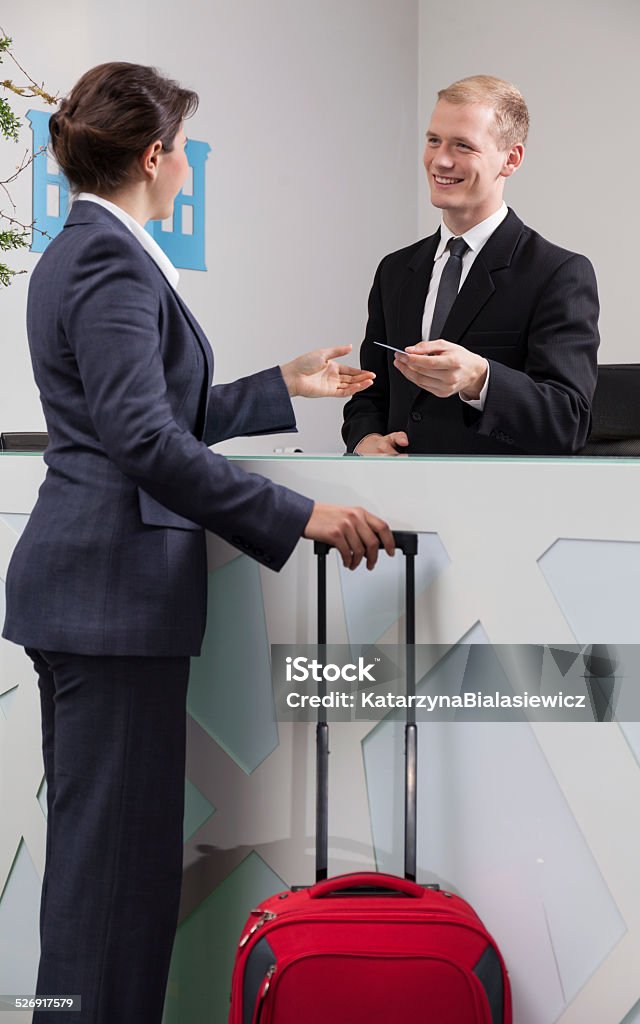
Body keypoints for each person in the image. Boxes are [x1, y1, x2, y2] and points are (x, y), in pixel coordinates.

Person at [1, 62, 394, 1024]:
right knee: (113, 875)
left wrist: (281, 387)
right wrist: (297, 516)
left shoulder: (95, 248)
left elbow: (145, 414)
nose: (186, 171)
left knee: (114, 865)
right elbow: (142, 441)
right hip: (110, 597)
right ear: (154, 155)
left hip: (99, 595)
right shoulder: (108, 260)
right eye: (183, 152)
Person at [342, 75, 600, 456]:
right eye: (433, 141)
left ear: (510, 159)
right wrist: (364, 440)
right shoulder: (395, 270)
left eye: (463, 145)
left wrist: (481, 378)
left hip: (497, 505)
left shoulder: (558, 274)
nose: (440, 160)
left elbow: (569, 422)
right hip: (398, 504)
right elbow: (371, 393)